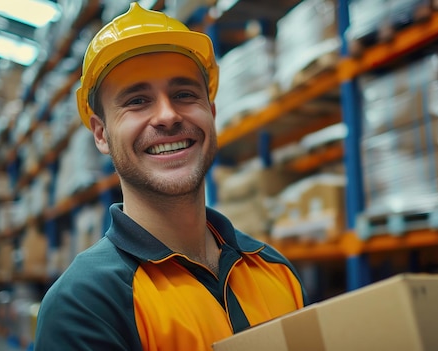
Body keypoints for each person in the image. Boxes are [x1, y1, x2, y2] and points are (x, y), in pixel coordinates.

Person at [34, 3, 307, 350]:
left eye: (183, 95)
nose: (167, 115)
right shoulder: (86, 303)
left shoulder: (274, 270)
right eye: (137, 100)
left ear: (211, 112)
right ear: (101, 135)